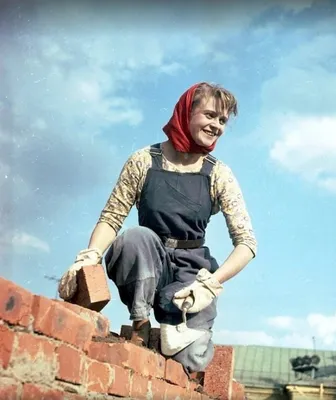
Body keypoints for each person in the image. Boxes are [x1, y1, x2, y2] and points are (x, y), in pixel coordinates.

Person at [58, 82, 257, 373]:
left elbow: (247, 244)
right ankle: (140, 323)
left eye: (223, 121)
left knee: (192, 358)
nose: (217, 126)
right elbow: (112, 217)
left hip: (192, 272)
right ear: (187, 112)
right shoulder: (143, 161)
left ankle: (170, 334)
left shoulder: (219, 174)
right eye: (210, 115)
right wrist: (89, 256)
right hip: (147, 260)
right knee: (135, 237)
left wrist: (211, 284)